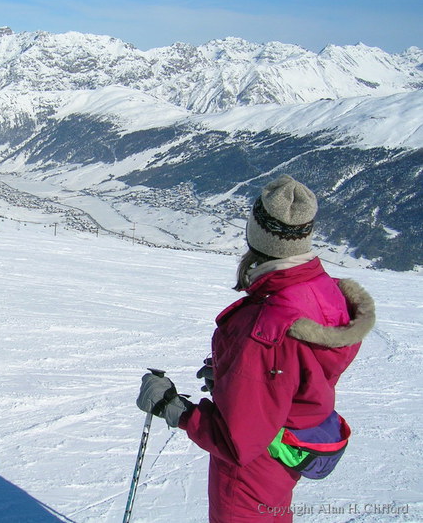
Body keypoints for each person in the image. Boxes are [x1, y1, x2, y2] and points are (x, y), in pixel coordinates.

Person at [136, 175, 375, 522]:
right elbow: (297, 371)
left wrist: (173, 408)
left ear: (256, 233)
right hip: (282, 459)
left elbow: (238, 443)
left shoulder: (265, 327)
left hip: (248, 477)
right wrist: (237, 377)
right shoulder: (324, 292)